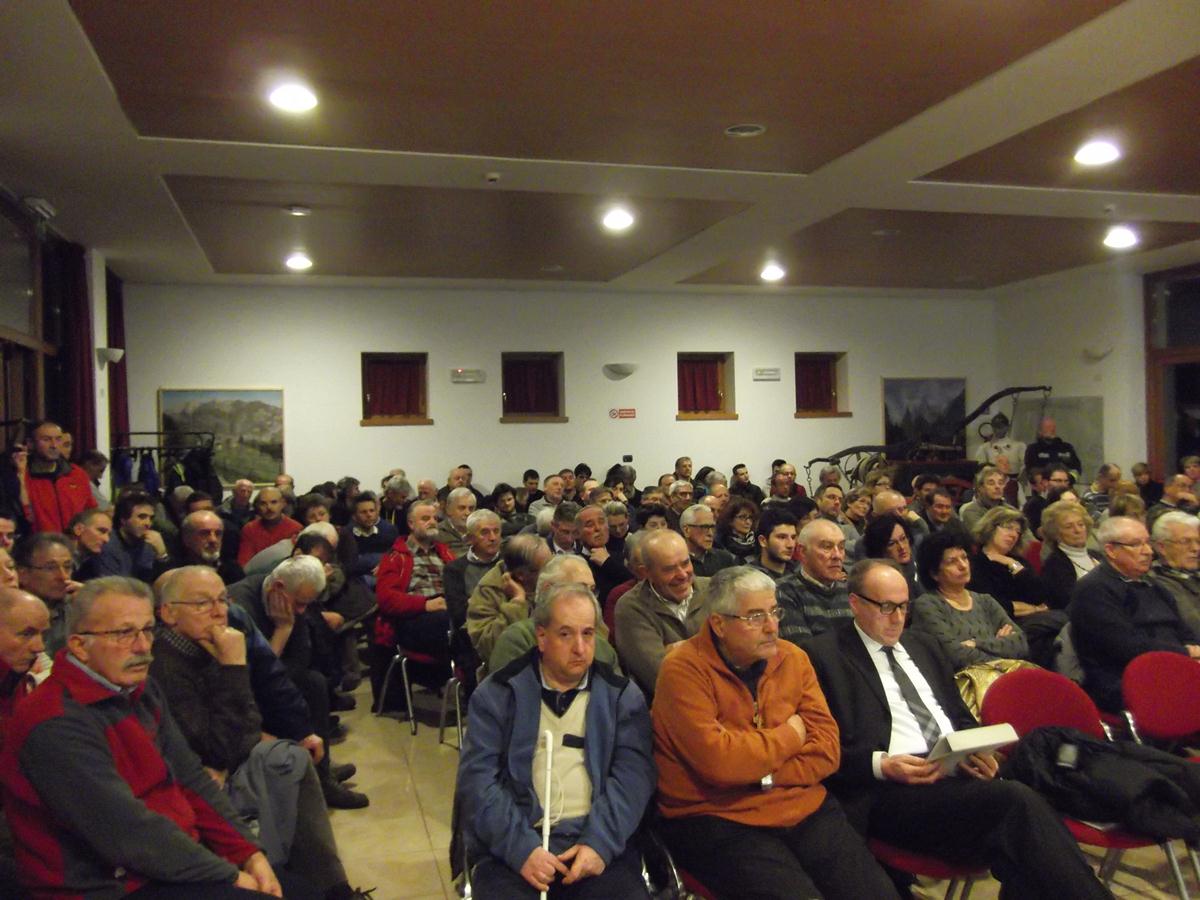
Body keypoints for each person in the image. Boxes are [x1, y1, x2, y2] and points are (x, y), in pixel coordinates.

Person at [807, 560, 1115, 900]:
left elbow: (959, 716)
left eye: (904, 606)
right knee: (1017, 806)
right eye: (886, 607)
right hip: (890, 790)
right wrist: (881, 764)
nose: (897, 618)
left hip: (953, 774)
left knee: (1026, 834)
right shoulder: (823, 656)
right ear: (855, 602)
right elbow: (818, 750)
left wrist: (975, 751)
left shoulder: (923, 646)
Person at [0, 576, 307, 899]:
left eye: (147, 630)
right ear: (79, 645)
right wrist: (228, 874)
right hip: (108, 885)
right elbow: (128, 833)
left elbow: (191, 778)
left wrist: (248, 853)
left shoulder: (140, 689)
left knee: (306, 891)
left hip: (167, 860)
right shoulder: (53, 722)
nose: (143, 646)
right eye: (123, 633)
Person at [652, 566, 899, 900]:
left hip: (800, 803)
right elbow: (719, 763)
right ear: (719, 624)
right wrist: (792, 736)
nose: (771, 626)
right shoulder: (682, 668)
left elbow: (827, 751)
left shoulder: (793, 658)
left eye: (773, 612)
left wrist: (763, 776)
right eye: (755, 616)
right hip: (717, 815)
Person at [151, 567, 368, 900]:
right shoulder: (167, 662)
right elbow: (217, 749)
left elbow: (254, 711)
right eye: (201, 603)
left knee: (293, 753)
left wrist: (295, 731)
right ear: (168, 613)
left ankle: (332, 886)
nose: (218, 610)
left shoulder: (212, 640)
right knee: (277, 761)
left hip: (228, 755)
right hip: (197, 775)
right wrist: (234, 668)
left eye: (222, 599)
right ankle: (281, 875)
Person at [457, 582, 655, 900]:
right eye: (566, 634)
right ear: (541, 637)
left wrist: (599, 844)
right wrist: (522, 850)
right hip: (518, 840)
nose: (580, 648)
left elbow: (633, 779)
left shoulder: (621, 696)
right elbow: (478, 782)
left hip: (597, 839)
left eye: (588, 634)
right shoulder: (498, 694)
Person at [1071, 516, 1200, 713]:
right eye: (1136, 545)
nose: (1148, 551)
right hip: (1126, 679)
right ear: (1111, 550)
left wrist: (1193, 652)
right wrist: (1186, 654)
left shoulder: (1153, 585)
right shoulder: (1093, 590)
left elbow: (1184, 631)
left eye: (1147, 543)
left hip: (1173, 667)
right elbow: (1127, 647)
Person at [371, 500, 456, 704]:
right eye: (425, 519)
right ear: (411, 524)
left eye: (435, 518)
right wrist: (425, 604)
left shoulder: (444, 553)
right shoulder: (396, 556)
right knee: (447, 623)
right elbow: (386, 599)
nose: (432, 522)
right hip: (413, 619)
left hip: (448, 614)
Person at [911, 530, 1028, 669]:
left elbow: (1021, 643)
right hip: (966, 684)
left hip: (1004, 676)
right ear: (934, 573)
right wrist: (999, 647)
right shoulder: (928, 605)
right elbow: (956, 656)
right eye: (952, 562)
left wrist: (977, 644)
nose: (963, 565)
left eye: (964, 558)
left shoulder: (985, 600)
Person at [613, 530, 709, 698]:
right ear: (645, 573)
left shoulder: (715, 590)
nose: (682, 574)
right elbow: (662, 675)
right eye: (669, 569)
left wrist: (677, 650)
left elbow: (743, 653)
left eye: (686, 563)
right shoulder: (630, 607)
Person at [774, 519, 851, 645]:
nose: (837, 555)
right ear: (802, 552)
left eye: (841, 547)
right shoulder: (784, 591)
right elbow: (804, 651)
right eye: (827, 547)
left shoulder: (851, 590)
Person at [14, 420, 97, 534]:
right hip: (39, 546)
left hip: (74, 546)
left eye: (58, 439)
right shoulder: (23, 475)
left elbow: (90, 512)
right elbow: (23, 516)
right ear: (30, 443)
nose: (54, 445)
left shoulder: (76, 473)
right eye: (46, 440)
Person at [13, 533, 79, 656]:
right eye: (50, 568)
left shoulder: (77, 607)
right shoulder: (9, 615)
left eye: (67, 567)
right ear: (23, 574)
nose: (63, 576)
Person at [1039, 500, 1101, 608]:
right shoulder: (1055, 564)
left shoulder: (1097, 556)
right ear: (1056, 533)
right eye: (1069, 527)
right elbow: (1070, 602)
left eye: (1081, 524)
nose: (1077, 530)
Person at [1149, 511, 1200, 638]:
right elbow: (1194, 626)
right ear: (1161, 547)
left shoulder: (1193, 574)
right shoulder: (1155, 583)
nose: (1196, 548)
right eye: (1185, 541)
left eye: (1198, 541)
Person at [575, 504, 632, 603]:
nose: (597, 528)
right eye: (590, 525)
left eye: (601, 522)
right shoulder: (574, 563)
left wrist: (608, 563)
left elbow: (634, 585)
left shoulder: (621, 556)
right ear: (577, 533)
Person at [237, 488, 302, 569]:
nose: (269, 507)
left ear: (283, 503)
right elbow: (244, 564)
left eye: (274, 502)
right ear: (257, 506)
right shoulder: (249, 529)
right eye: (263, 503)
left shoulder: (296, 528)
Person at [859, 515, 921, 597]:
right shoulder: (878, 581)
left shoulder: (922, 565)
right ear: (880, 549)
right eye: (891, 544)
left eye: (903, 538)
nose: (901, 547)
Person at [679, 504, 735, 577]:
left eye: (712, 527)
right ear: (686, 530)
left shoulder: (724, 559)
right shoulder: (677, 562)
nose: (710, 533)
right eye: (705, 527)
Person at [749, 507, 799, 581]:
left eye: (793, 537)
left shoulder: (802, 572)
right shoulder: (747, 578)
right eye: (782, 537)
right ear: (763, 541)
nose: (791, 545)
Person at [438, 487, 477, 559]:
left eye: (471, 508)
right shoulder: (438, 533)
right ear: (448, 510)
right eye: (462, 508)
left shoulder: (479, 532)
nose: (467, 513)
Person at [715, 496, 757, 562]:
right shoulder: (720, 543)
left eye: (750, 517)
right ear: (730, 520)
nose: (748, 522)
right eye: (742, 517)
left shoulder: (758, 543)